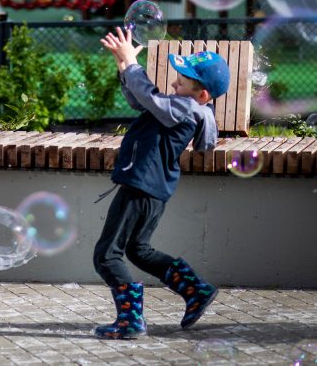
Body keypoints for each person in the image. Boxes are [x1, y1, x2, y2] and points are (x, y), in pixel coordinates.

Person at [92, 27, 229, 340]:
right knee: (138, 250)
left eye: (180, 82)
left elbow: (149, 97)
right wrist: (123, 68)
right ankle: (196, 290)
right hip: (153, 189)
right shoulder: (186, 106)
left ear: (202, 94)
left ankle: (131, 320)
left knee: (106, 254)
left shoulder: (185, 108)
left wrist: (132, 66)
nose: (173, 84)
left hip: (141, 185)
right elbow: (142, 101)